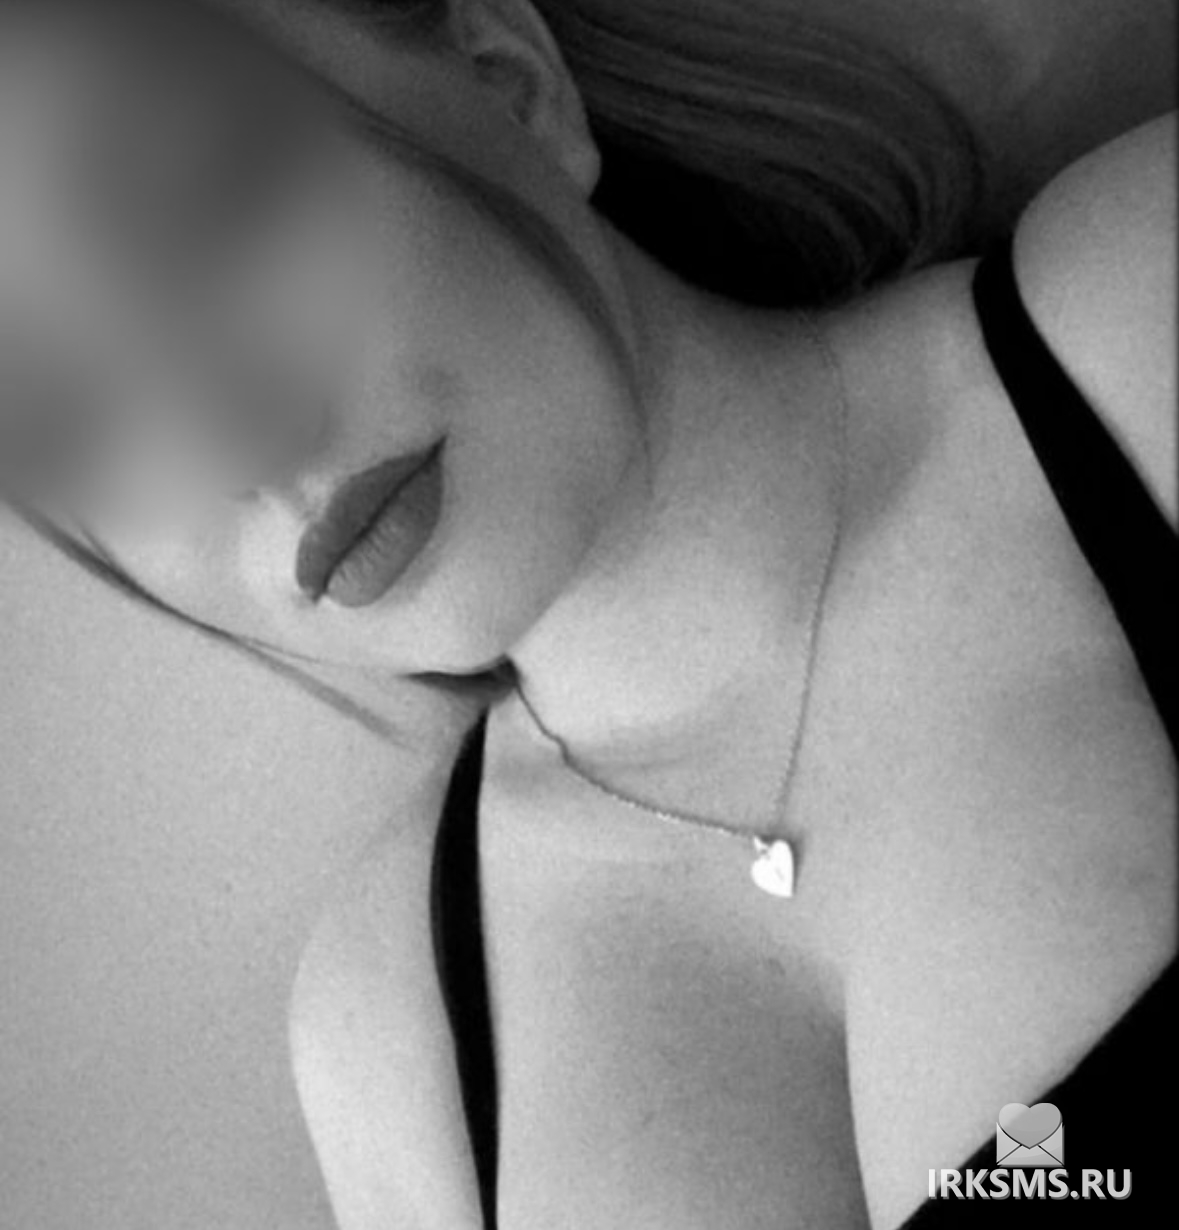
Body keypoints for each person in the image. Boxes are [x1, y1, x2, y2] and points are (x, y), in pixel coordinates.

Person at [0, 1, 1173, 1227]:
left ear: (510, 79)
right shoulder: (393, 1029)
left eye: (197, 198)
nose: (221, 440)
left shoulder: (1143, 318)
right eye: (64, 420)